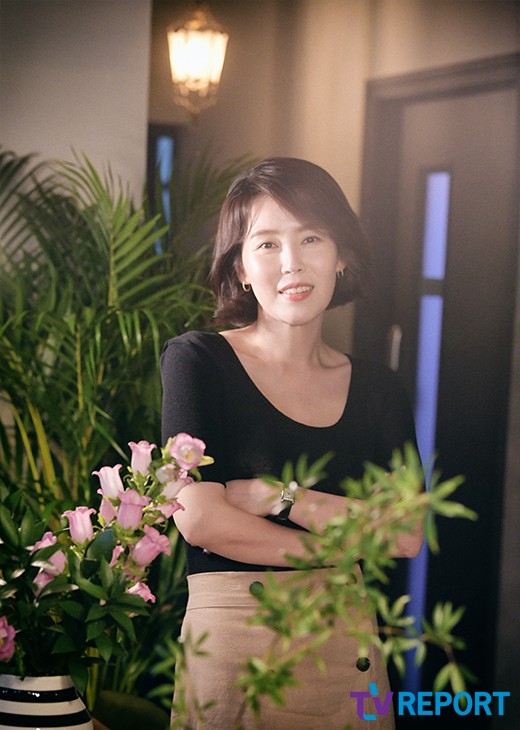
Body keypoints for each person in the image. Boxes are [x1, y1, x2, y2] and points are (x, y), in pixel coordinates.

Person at [160, 157, 423, 729]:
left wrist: (280, 497)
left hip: (345, 650)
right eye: (267, 244)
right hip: (235, 649)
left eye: (311, 238)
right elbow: (200, 520)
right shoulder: (197, 361)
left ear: (341, 255)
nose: (292, 263)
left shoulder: (379, 389)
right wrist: (342, 544)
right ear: (241, 268)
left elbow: (404, 534)